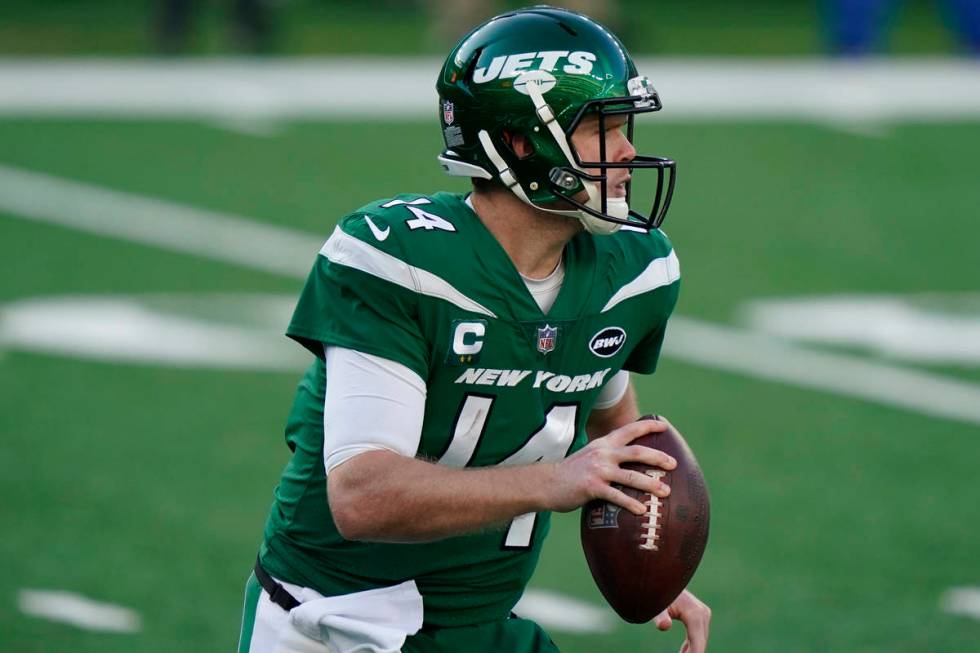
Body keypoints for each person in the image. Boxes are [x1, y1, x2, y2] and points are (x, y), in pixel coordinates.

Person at [238, 6, 710, 653]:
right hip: (340, 622)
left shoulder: (633, 270)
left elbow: (620, 437)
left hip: (485, 624)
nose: (628, 151)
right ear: (520, 143)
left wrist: (651, 559)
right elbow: (363, 495)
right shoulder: (398, 257)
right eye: (602, 128)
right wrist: (555, 478)